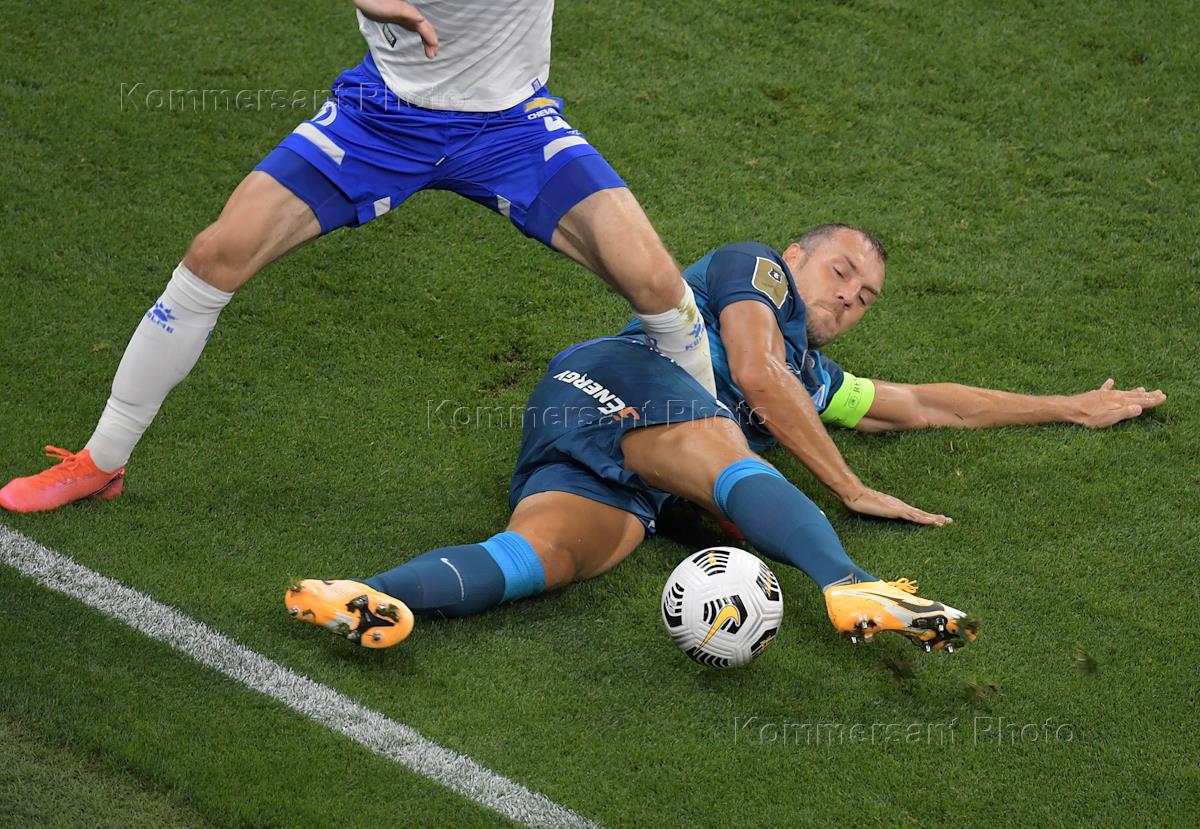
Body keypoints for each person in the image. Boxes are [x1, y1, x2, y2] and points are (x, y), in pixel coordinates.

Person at [284, 224, 1165, 653]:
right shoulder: (757, 272)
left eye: (864, 298)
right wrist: (850, 488)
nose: (848, 296)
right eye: (841, 271)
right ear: (799, 256)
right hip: (614, 381)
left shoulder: (815, 376)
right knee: (723, 450)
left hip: (616, 463)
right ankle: (848, 582)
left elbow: (922, 406)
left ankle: (372, 594)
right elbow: (754, 372)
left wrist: (1064, 406)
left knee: (545, 556)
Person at [0, 0, 715, 513]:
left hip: (512, 127)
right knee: (217, 252)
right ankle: (102, 460)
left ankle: (717, 471)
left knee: (657, 282)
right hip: (382, 117)